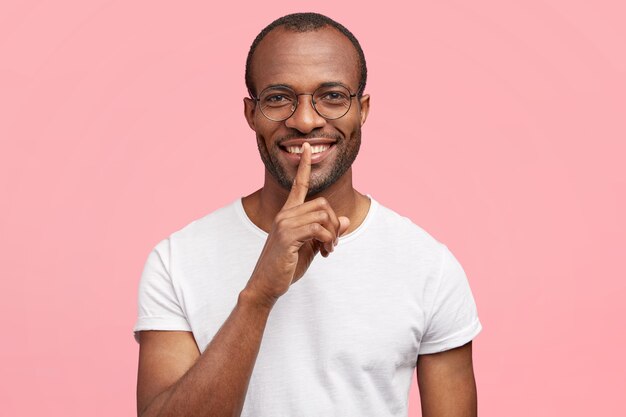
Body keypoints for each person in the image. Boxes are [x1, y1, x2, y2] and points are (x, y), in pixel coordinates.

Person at [134, 12, 482, 417]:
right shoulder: (176, 261)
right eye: (278, 97)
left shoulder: (428, 266)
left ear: (362, 110)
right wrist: (258, 296)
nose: (305, 120)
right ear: (251, 114)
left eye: (332, 96)